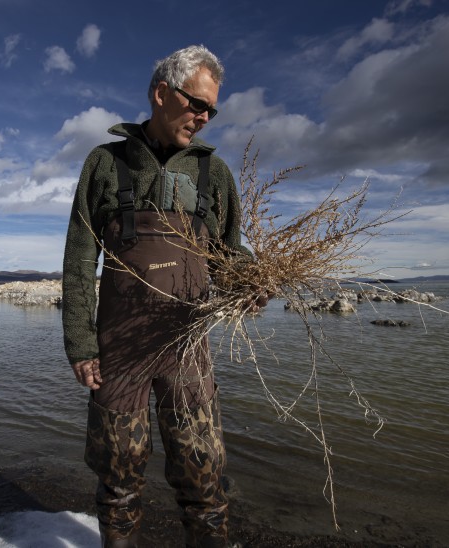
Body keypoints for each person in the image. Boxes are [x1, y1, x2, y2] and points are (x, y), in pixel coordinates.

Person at [63, 45, 258, 548]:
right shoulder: (105, 163)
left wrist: (250, 283)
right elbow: (81, 258)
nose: (205, 117)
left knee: (205, 482)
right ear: (161, 93)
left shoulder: (215, 176)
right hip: (118, 352)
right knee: (119, 482)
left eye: (212, 110)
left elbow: (228, 254)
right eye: (197, 104)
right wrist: (81, 344)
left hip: (188, 350)